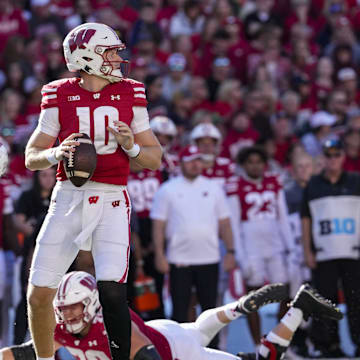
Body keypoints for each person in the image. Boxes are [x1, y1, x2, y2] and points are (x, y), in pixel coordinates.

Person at [24, 22, 162, 360]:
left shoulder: (131, 91)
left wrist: (130, 146)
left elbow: (154, 158)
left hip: (112, 198)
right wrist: (57, 152)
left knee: (113, 294)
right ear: (86, 56)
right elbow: (31, 157)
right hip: (67, 197)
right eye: (110, 51)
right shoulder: (58, 92)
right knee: (39, 294)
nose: (117, 58)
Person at [0, 271, 343, 360]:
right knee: (197, 327)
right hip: (164, 333)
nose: (68, 315)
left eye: (74, 307)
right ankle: (238, 308)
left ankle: (300, 307)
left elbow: (146, 355)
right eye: (64, 309)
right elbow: (27, 352)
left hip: (176, 352)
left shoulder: (111, 327)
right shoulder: (65, 327)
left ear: (90, 303)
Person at [151, 144, 236, 348]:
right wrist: (160, 254)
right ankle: (179, 349)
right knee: (180, 309)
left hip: (209, 258)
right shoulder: (167, 189)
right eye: (190, 160)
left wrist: (231, 251)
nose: (195, 164)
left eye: (198, 160)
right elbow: (158, 224)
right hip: (179, 259)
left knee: (210, 310)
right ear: (181, 163)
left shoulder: (213, 188)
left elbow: (224, 222)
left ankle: (212, 351)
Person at [226, 146, 296, 350]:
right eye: (250, 162)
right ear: (243, 165)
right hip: (251, 244)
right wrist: (241, 255)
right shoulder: (236, 185)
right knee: (252, 296)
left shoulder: (273, 182)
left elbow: (282, 217)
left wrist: (290, 248)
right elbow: (235, 224)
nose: (255, 165)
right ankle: (258, 345)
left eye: (259, 161)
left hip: (274, 242)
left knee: (287, 293)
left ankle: (278, 340)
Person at [301, 138, 360, 357]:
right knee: (325, 301)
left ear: (343, 157)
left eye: (337, 155)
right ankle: (328, 345)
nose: (333, 159)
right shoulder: (313, 185)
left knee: (357, 299)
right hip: (324, 253)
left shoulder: (356, 181)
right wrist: (308, 251)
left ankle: (358, 343)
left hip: (354, 251)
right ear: (323, 158)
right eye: (329, 155)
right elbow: (306, 220)